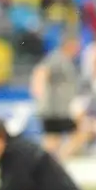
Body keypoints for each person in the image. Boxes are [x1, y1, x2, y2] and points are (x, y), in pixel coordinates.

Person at [30, 31, 81, 159]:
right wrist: (38, 91)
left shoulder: (66, 60)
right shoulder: (57, 58)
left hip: (60, 108)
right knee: (78, 132)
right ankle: (54, 161)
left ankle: (51, 162)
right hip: (54, 108)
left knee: (53, 140)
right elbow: (41, 71)